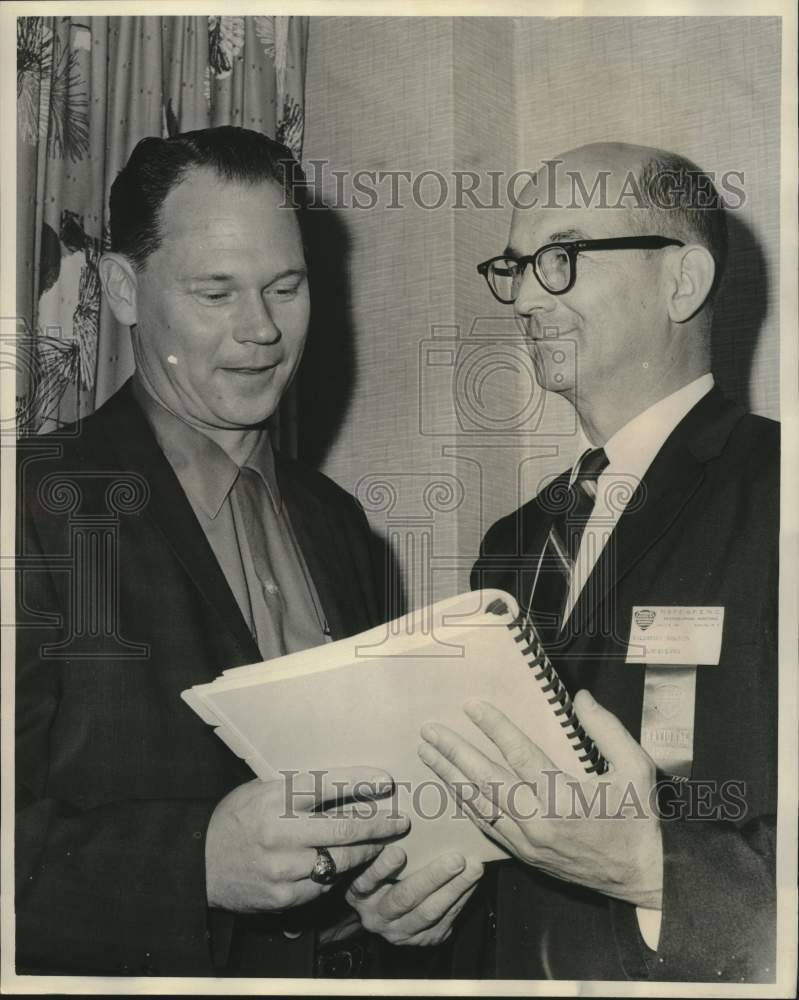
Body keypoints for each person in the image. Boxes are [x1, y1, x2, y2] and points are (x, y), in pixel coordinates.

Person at [15, 126, 483, 979]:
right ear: (123, 289)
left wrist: (395, 898)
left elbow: (371, 812)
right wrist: (191, 865)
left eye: (285, 286)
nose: (261, 329)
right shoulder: (31, 502)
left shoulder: (340, 526)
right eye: (215, 292)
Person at [420, 142, 778, 982]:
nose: (525, 298)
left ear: (681, 282)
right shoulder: (509, 546)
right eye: (516, 266)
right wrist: (427, 905)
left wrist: (652, 868)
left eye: (562, 258)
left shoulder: (781, 491)